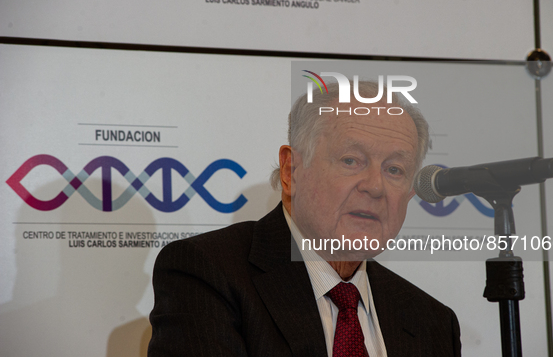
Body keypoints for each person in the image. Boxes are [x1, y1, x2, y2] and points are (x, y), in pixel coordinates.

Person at [148, 81, 461, 357]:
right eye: (351, 160)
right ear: (291, 171)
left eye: (394, 169)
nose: (375, 186)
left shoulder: (432, 321)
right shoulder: (207, 275)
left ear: (409, 192)